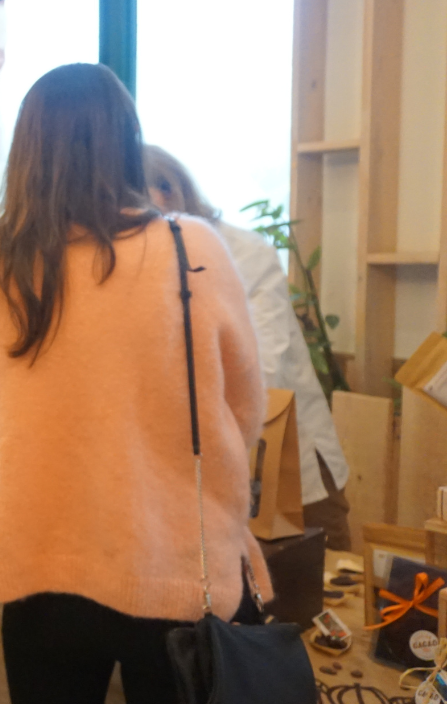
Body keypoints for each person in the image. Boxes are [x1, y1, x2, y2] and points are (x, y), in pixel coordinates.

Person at [0, 64, 268, 704]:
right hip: (173, 569)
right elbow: (244, 409)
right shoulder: (188, 248)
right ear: (126, 141)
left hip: (36, 565)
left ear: (26, 150)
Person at [144, 145, 353, 551]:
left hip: (289, 456)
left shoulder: (244, 252)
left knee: (319, 582)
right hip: (203, 467)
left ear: (170, 191)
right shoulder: (144, 260)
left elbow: (262, 363)